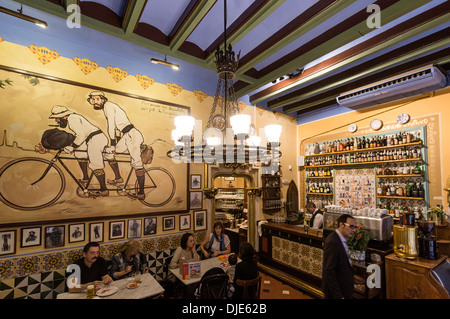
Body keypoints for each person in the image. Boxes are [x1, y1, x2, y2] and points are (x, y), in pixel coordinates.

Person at [87, 91, 146, 200]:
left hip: (133, 135)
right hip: (127, 136)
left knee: (137, 164)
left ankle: (141, 193)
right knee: (109, 155)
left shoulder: (109, 107)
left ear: (103, 99)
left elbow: (111, 126)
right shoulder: (107, 107)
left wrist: (113, 144)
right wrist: (115, 144)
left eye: (97, 99)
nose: (95, 102)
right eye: (93, 99)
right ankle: (118, 178)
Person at [49, 105, 109, 197]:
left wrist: (73, 146)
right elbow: (81, 135)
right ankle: (86, 178)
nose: (57, 120)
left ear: (64, 116)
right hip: (90, 138)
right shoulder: (72, 118)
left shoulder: (72, 119)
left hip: (97, 139)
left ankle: (104, 190)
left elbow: (81, 135)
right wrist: (73, 147)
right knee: (79, 154)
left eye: (57, 118)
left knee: (95, 163)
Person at [322, 213, 357, 299]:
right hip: (337, 292)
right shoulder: (333, 241)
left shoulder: (342, 239)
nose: (354, 230)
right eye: (351, 226)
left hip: (344, 288)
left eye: (355, 227)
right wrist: (338, 295)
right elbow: (329, 270)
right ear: (341, 225)